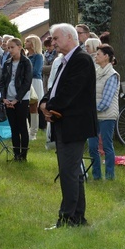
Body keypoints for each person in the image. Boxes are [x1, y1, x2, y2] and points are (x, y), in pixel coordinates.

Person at [40, 24, 97, 228]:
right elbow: (54, 88)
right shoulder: (65, 61)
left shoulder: (81, 60)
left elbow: (70, 91)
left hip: (74, 123)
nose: (53, 42)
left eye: (56, 38)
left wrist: (50, 106)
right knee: (73, 172)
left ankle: (66, 218)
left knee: (68, 172)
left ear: (69, 37)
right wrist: (43, 103)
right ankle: (77, 217)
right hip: (64, 121)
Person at [88, 44, 120, 180]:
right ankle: (96, 176)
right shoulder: (95, 72)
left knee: (107, 146)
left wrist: (89, 109)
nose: (96, 56)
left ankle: (109, 176)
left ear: (106, 57)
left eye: (99, 54)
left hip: (107, 116)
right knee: (92, 147)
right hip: (94, 115)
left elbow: (106, 101)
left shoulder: (112, 75)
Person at [0, 38, 33, 161]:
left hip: (21, 99)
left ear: (19, 47)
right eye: (8, 48)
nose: (10, 50)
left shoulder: (26, 62)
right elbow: (2, 81)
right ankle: (16, 154)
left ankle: (23, 155)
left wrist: (17, 99)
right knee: (13, 127)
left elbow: (27, 82)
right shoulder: (7, 63)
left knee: (22, 127)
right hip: (8, 97)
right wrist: (4, 98)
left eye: (12, 47)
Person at [25, 34, 45, 140]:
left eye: (28, 41)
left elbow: (37, 71)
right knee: (25, 106)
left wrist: (25, 73)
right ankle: (27, 130)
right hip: (27, 81)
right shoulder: (26, 56)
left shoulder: (38, 56)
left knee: (34, 107)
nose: (25, 43)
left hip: (35, 81)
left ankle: (33, 133)